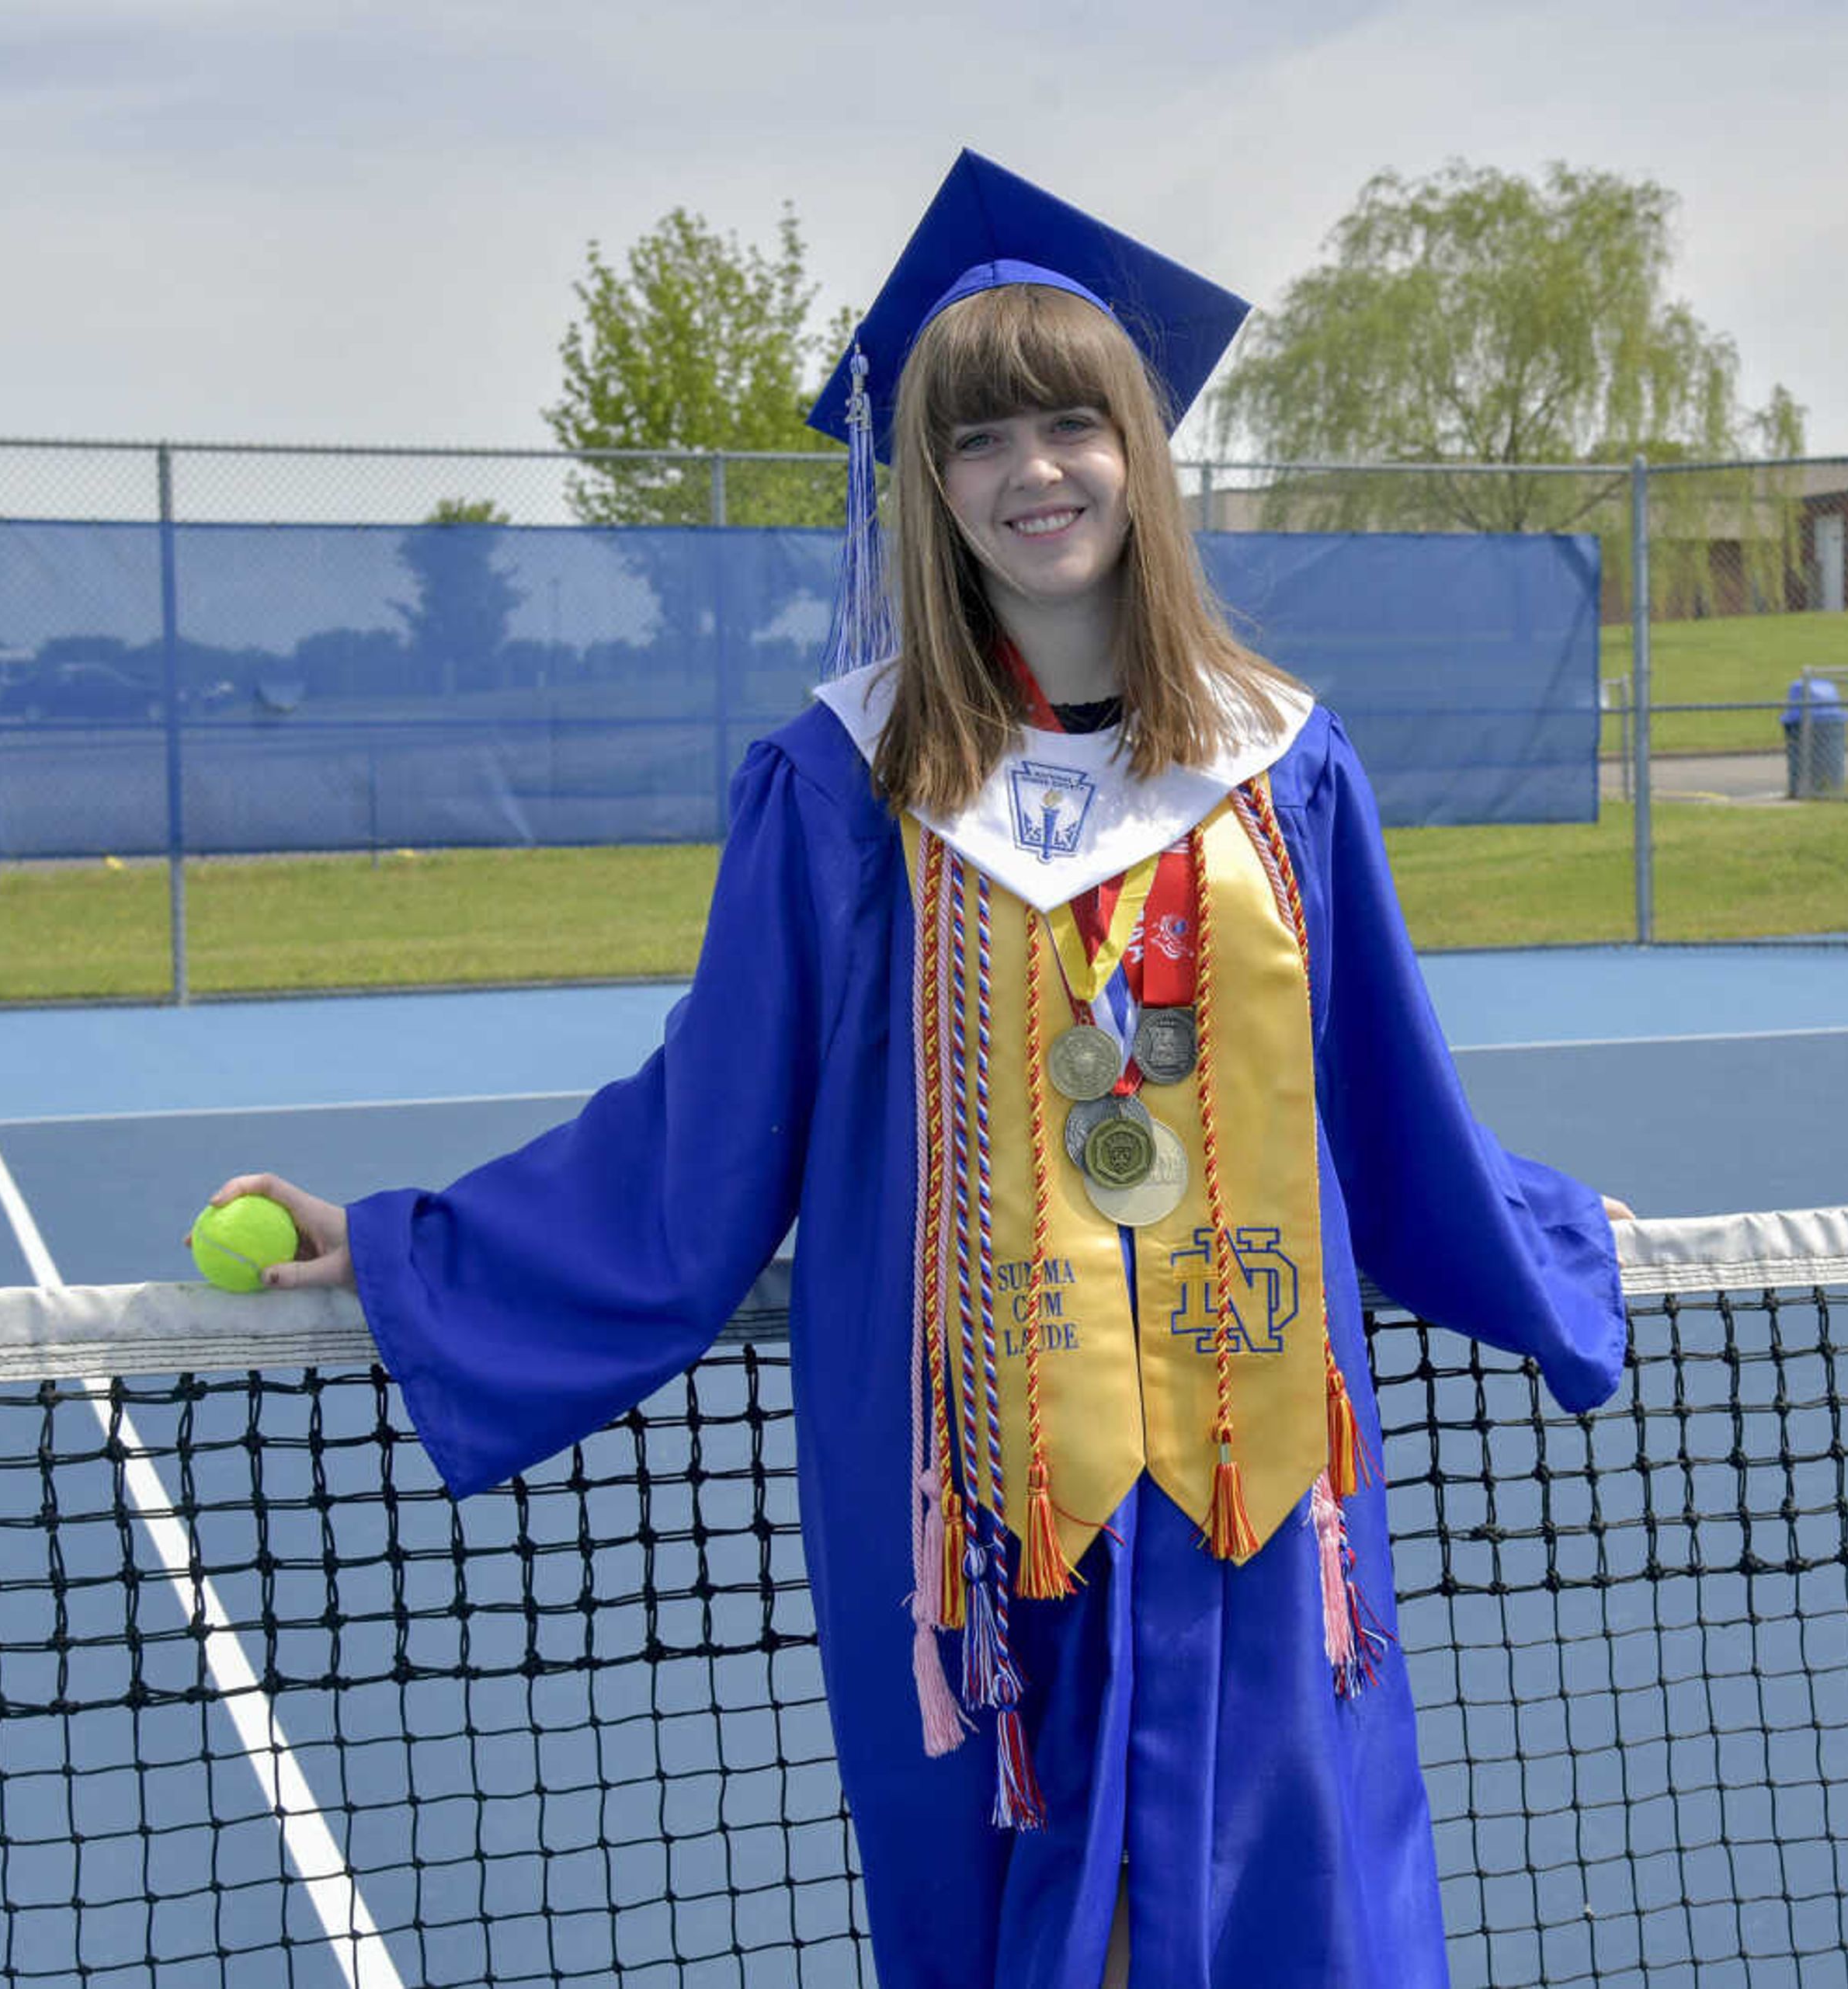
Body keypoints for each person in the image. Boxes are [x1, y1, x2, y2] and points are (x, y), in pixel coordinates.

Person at [214, 151, 1628, 1989]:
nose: (1032, 473)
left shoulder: (1287, 768)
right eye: (976, 442)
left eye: (1069, 424)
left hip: (1254, 1458)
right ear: (924, 483)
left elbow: (1382, 1097)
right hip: (965, 1482)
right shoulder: (850, 788)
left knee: (1277, 1872)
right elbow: (710, 1120)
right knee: (1005, 1877)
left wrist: (1545, 1230)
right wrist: (422, 1250)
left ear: (1142, 446)